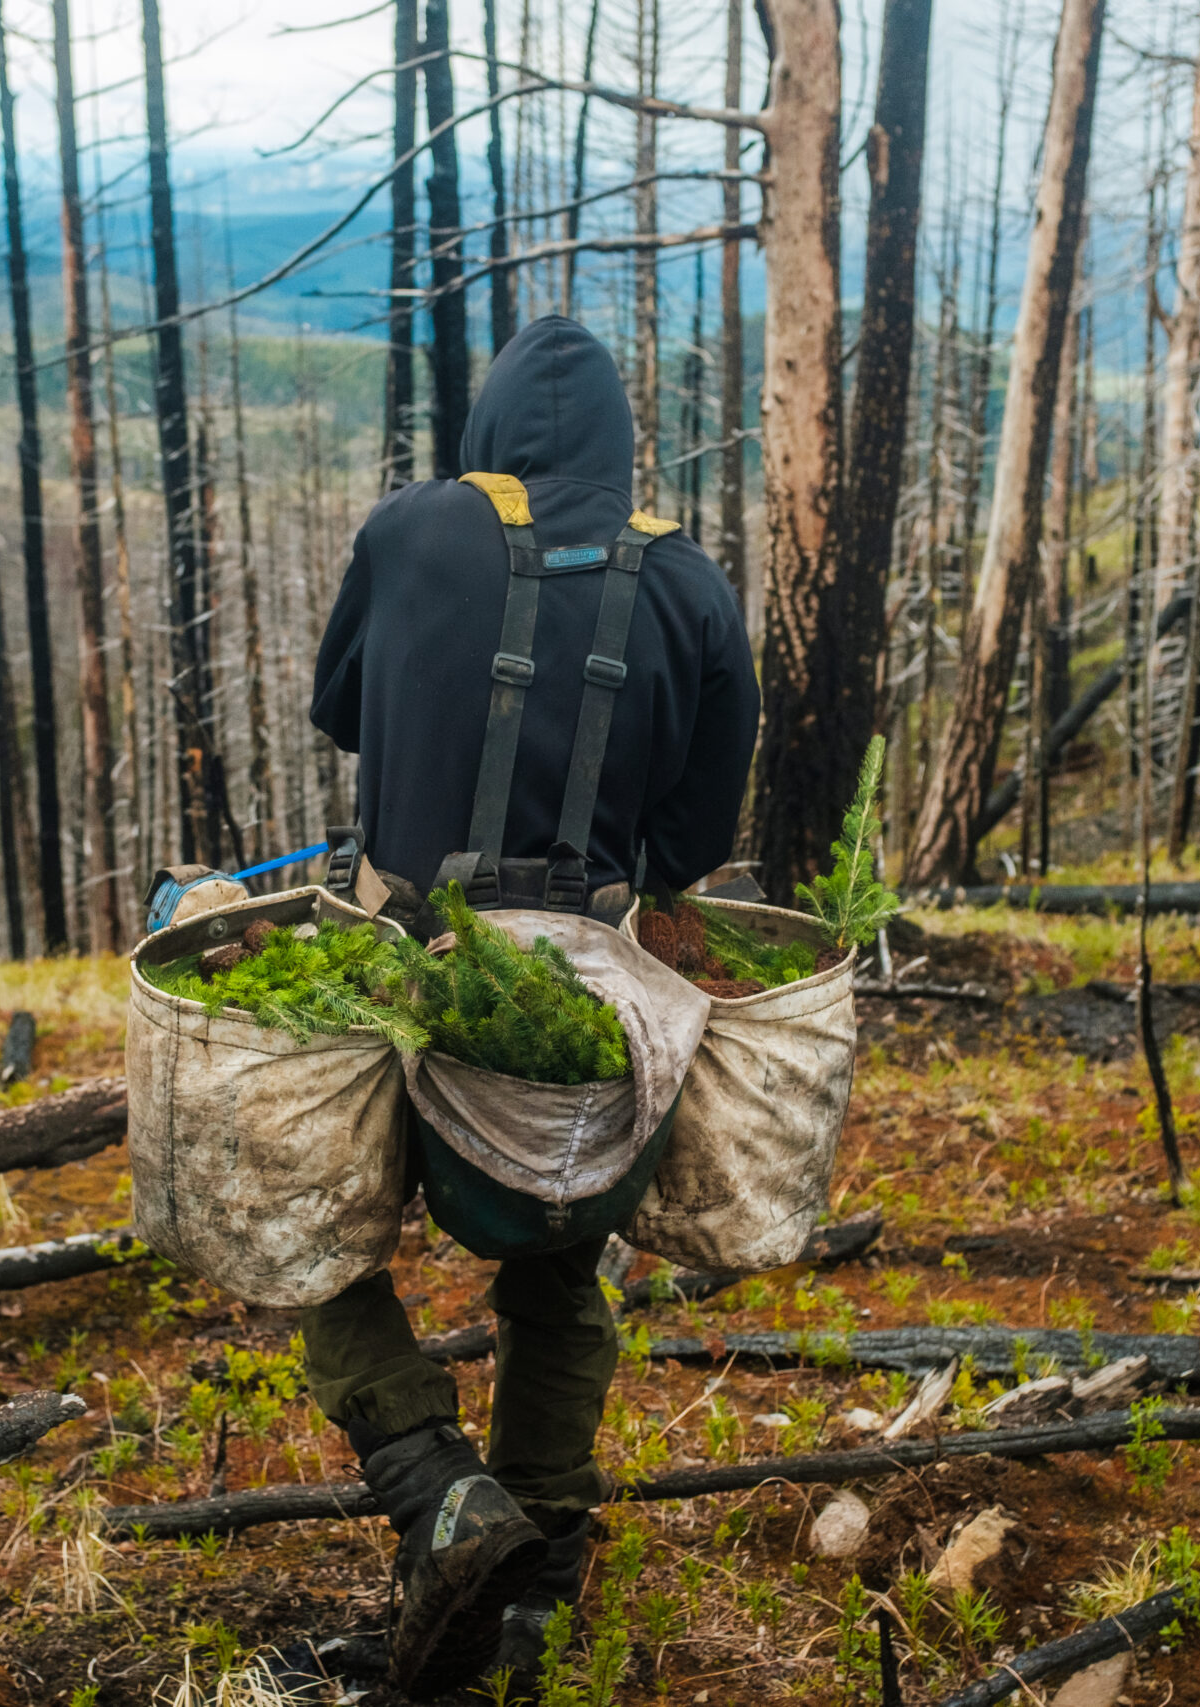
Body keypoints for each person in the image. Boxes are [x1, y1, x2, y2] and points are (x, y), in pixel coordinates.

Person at [306, 315, 758, 1697]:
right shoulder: (690, 582)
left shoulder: (409, 533)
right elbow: (691, 842)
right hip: (591, 983)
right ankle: (534, 1603)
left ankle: (435, 1486)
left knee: (314, 1232)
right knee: (562, 1276)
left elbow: (338, 710)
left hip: (404, 959)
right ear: (625, 447)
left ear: (489, 430)